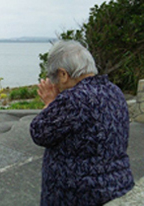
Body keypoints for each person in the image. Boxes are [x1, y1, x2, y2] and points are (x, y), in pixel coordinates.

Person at [30, 40, 134, 206]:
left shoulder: (72, 99)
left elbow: (39, 132)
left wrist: (50, 104)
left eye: (55, 78)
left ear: (63, 74)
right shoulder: (114, 91)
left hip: (79, 196)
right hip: (118, 186)